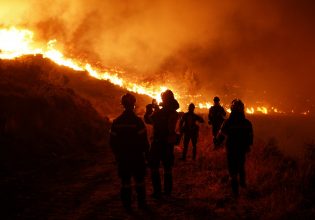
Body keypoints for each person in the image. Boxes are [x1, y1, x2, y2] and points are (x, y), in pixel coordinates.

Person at [109, 93, 150, 211]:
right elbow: (144, 142)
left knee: (125, 182)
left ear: (122, 104)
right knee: (139, 181)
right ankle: (141, 204)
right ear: (134, 105)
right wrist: (147, 156)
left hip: (123, 158)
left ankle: (127, 205)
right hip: (137, 157)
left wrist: (117, 155)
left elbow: (112, 141)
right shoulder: (138, 122)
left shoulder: (116, 122)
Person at [144, 90, 180, 198]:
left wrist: (149, 110)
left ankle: (157, 191)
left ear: (164, 99)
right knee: (167, 167)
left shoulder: (160, 113)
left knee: (154, 167)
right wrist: (157, 109)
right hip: (168, 144)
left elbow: (149, 120)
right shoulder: (174, 112)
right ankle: (168, 191)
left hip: (158, 142)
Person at [217, 99, 253, 197]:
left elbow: (221, 135)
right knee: (241, 166)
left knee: (232, 169)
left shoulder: (228, 122)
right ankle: (243, 184)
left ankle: (235, 192)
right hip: (242, 149)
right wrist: (248, 146)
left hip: (231, 148)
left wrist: (217, 143)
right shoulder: (247, 123)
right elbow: (250, 137)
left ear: (232, 109)